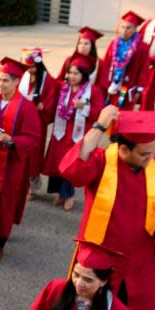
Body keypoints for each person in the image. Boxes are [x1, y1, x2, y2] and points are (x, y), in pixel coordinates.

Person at [58, 107, 155, 310]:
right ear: (124, 150)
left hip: (139, 262)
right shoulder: (101, 161)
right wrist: (99, 125)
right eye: (144, 154)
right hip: (100, 262)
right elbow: (71, 169)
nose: (151, 158)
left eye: (153, 152)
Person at [0, 57, 42, 266]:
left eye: (5, 80)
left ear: (16, 82)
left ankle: (0, 245)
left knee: (6, 205)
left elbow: (33, 138)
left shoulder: (26, 107)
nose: (0, 84)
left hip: (11, 166)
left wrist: (11, 140)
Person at [43, 53, 104, 210]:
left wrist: (84, 107)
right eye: (69, 72)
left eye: (76, 73)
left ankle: (68, 195)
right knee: (58, 161)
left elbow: (99, 113)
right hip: (61, 133)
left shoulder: (94, 91)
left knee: (71, 164)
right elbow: (48, 86)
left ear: (84, 74)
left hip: (77, 133)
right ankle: (59, 193)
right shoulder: (62, 88)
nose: (71, 76)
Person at [20, 48, 59, 199]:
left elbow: (50, 102)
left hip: (36, 123)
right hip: (22, 120)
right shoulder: (23, 76)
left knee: (33, 155)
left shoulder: (48, 80)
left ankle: (33, 186)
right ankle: (21, 184)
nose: (29, 70)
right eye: (27, 67)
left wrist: (43, 106)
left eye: (32, 67)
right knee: (21, 152)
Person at [96, 12, 149, 109]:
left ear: (135, 29)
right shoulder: (114, 43)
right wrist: (103, 82)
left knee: (124, 112)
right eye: (123, 27)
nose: (124, 30)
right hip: (113, 83)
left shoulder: (142, 47)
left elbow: (144, 69)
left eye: (129, 28)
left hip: (129, 86)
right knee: (108, 108)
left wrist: (139, 89)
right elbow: (106, 63)